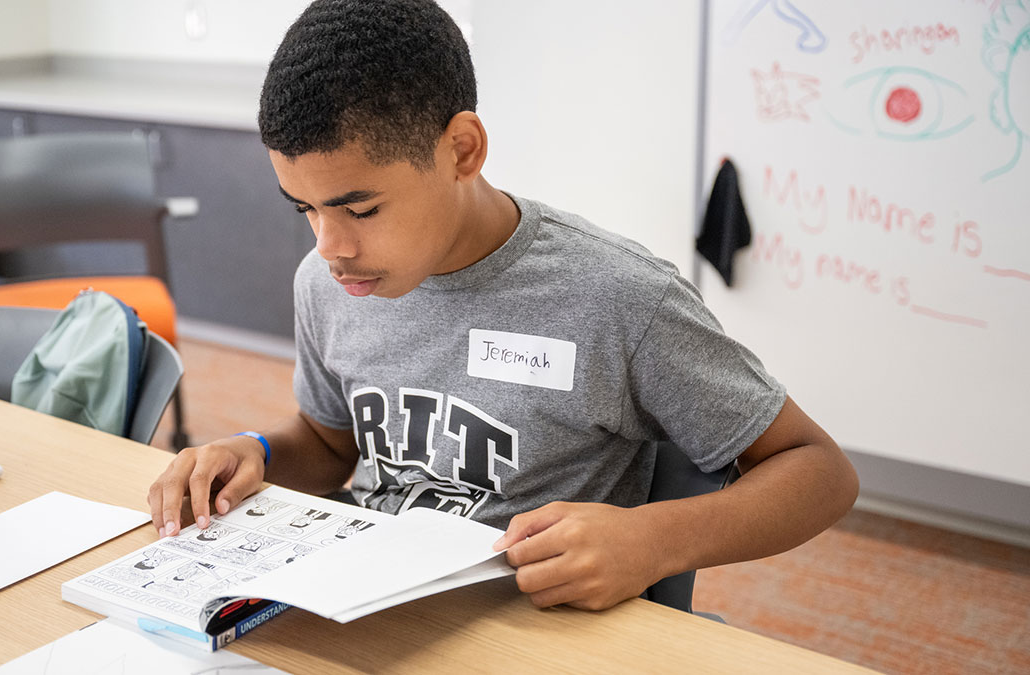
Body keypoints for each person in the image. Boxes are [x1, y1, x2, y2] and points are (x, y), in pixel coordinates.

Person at [148, 0, 859, 612]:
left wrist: (654, 539)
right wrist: (259, 454)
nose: (331, 246)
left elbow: (821, 471)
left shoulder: (617, 297)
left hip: (535, 629)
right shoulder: (326, 283)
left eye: (359, 208)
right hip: (370, 605)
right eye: (304, 208)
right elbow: (335, 442)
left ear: (462, 149)